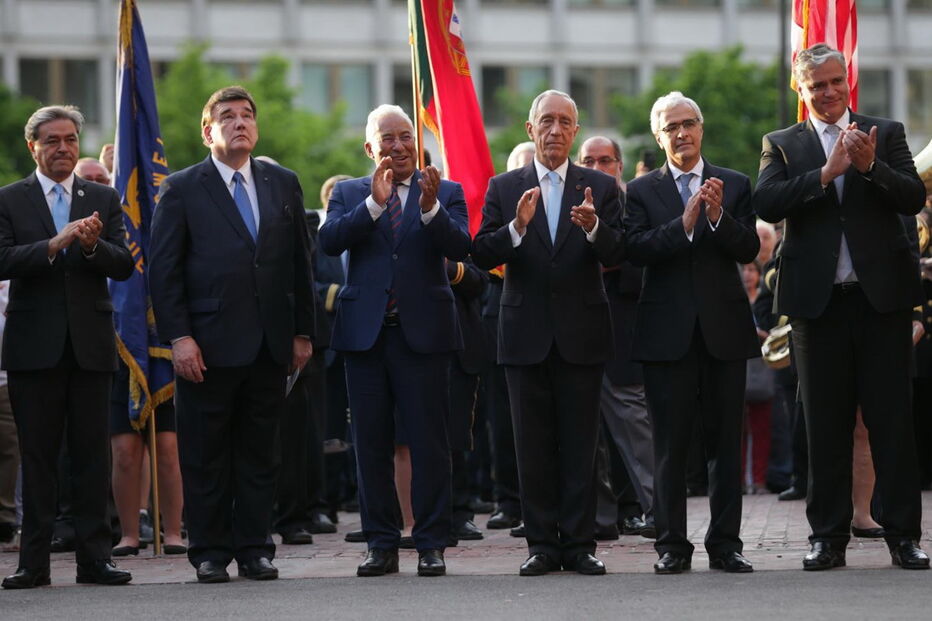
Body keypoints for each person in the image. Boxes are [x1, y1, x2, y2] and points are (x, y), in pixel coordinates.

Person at [754, 43, 928, 570]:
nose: (827, 93)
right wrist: (825, 174)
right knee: (823, 425)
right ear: (801, 90)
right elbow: (766, 203)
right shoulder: (782, 143)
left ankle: (903, 536)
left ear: (846, 80)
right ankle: (827, 537)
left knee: (891, 422)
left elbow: (912, 198)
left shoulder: (886, 132)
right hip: (817, 307)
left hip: (882, 305)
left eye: (834, 82)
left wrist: (871, 167)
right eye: (816, 86)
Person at [149, 86, 315, 583]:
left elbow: (299, 265)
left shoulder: (282, 181)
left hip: (270, 344)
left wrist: (303, 332)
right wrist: (179, 337)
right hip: (207, 346)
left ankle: (256, 549)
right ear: (208, 131)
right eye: (227, 116)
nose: (239, 123)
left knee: (261, 454)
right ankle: (209, 552)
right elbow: (164, 271)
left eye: (247, 115)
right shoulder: (181, 187)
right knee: (205, 454)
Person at [472, 90, 625, 577]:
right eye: (546, 121)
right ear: (529, 128)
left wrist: (595, 227)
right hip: (524, 334)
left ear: (575, 131)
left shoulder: (598, 187)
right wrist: (516, 227)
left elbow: (620, 251)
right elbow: (480, 252)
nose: (555, 130)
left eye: (564, 122)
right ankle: (540, 544)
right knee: (531, 446)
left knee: (580, 445)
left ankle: (579, 545)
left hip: (581, 332)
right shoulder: (504, 186)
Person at [318, 104, 470, 577]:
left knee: (429, 444)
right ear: (370, 148)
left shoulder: (444, 190)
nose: (399, 146)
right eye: (388, 138)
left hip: (423, 336)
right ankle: (381, 543)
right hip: (365, 337)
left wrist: (429, 211)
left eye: (406, 136)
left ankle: (430, 542)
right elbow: (329, 242)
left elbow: (462, 246)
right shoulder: (348, 193)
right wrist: (374, 205)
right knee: (371, 445)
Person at [624, 91, 761, 575]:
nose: (682, 133)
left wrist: (719, 217)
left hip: (723, 332)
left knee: (726, 444)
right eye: (671, 127)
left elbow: (748, 248)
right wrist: (681, 226)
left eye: (689, 124)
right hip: (666, 336)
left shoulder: (735, 183)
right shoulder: (640, 192)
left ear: (701, 129)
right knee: (670, 447)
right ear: (659, 136)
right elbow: (634, 249)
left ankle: (725, 545)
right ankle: (672, 546)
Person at [0, 105, 134, 589]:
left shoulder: (101, 195)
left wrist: (94, 247)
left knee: (90, 456)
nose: (63, 149)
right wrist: (53, 245)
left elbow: (123, 265)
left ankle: (94, 560)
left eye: (70, 140)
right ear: (31, 145)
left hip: (90, 347)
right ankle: (32, 563)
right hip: (33, 349)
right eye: (52, 140)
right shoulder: (10, 199)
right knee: (37, 458)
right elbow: (1, 258)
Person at [577, 136, 655, 538]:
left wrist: (611, 257)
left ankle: (658, 508)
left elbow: (645, 262)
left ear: (619, 166)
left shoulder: (634, 202)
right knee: (586, 437)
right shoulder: (569, 205)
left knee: (634, 427)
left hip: (624, 331)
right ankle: (600, 519)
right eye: (588, 159)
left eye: (605, 160)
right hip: (575, 331)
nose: (597, 166)